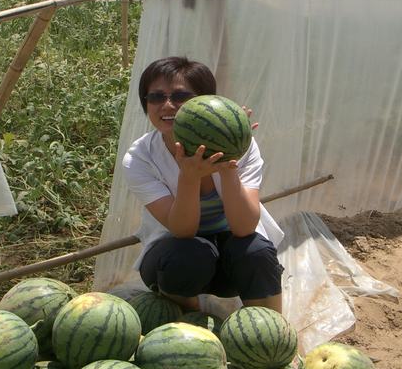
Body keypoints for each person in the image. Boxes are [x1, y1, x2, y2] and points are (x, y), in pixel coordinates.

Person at [122, 56, 285, 313]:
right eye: (155, 97)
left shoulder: (242, 146)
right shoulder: (140, 158)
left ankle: (272, 334)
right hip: (177, 259)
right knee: (187, 255)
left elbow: (244, 227)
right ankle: (189, 327)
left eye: (180, 96)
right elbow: (183, 231)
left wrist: (230, 162)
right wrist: (189, 177)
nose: (167, 105)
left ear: (207, 101)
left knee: (256, 251)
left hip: (232, 264)